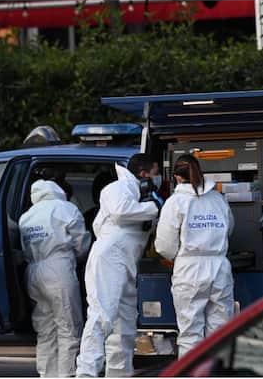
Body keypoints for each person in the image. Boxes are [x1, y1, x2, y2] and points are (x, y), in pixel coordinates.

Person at [76, 153, 161, 378]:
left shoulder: (141, 195)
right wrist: (154, 208)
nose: (158, 177)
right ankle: (86, 373)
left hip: (125, 262)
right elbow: (121, 211)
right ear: (143, 173)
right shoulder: (118, 188)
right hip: (110, 258)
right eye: (156, 172)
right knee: (102, 316)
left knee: (124, 325)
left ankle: (120, 374)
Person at [154, 154, 234, 357]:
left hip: (189, 268)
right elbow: (229, 228)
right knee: (221, 332)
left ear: (177, 177)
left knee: (190, 334)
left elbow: (164, 245)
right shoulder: (218, 199)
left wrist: (177, 257)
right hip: (219, 266)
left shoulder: (175, 202)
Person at [19, 177, 92, 378]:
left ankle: (47, 374)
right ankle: (66, 375)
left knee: (45, 330)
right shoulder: (65, 208)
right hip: (58, 269)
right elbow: (81, 243)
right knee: (69, 327)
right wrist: (75, 260)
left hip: (34, 271)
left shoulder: (27, 216)